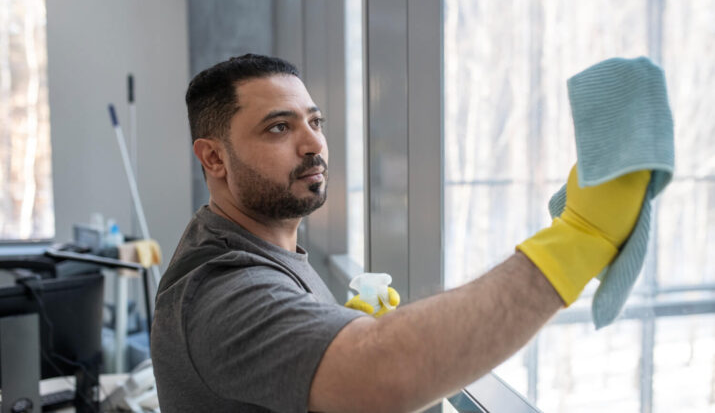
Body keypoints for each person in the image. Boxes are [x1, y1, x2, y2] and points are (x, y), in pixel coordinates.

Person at [151, 54, 650, 413]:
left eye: (315, 121)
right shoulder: (219, 289)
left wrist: (334, 337)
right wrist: (578, 240)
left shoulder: (263, 249)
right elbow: (384, 377)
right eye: (279, 128)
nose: (313, 144)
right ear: (214, 157)